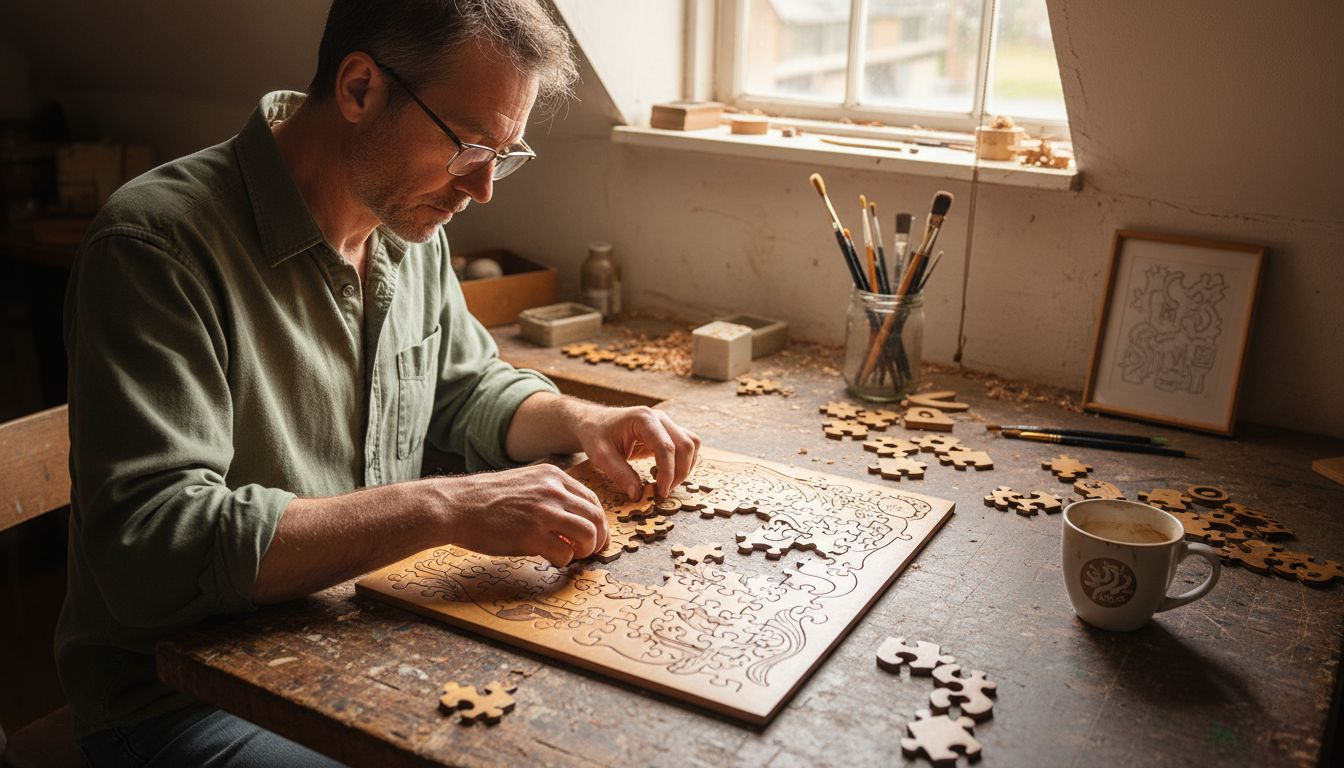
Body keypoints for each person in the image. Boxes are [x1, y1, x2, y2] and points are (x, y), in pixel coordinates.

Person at [58, 1, 700, 764]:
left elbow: (463, 388)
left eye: (504, 153)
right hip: (181, 698)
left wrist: (579, 421)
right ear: (360, 89)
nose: (483, 187)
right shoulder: (154, 246)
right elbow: (155, 549)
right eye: (468, 145)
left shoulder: (408, 223)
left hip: (354, 639)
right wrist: (443, 505)